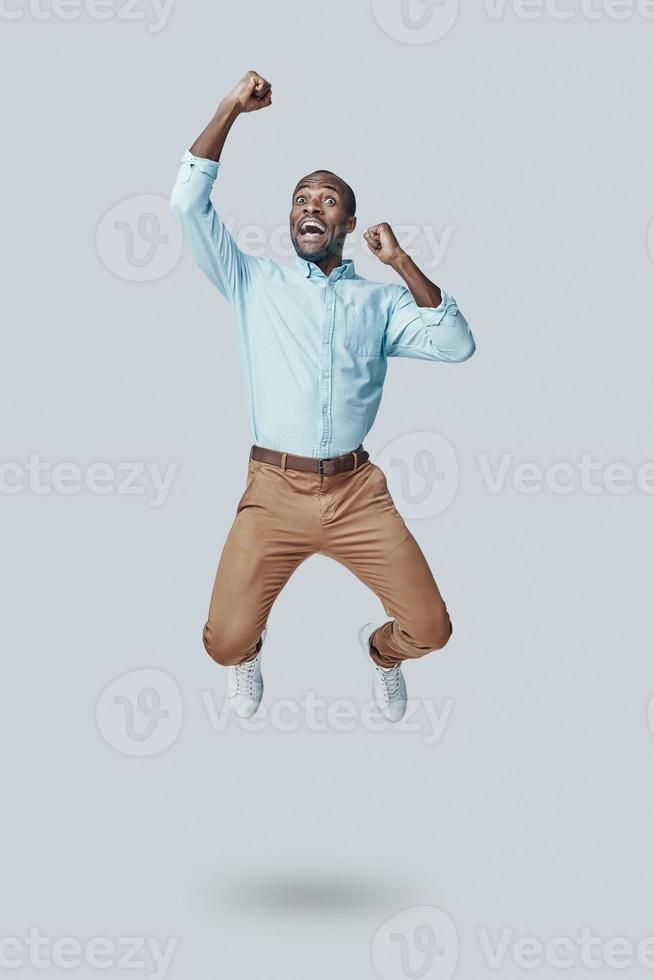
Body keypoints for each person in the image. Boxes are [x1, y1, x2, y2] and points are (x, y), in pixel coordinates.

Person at [170, 70, 475, 723]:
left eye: (327, 199)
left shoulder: (380, 301)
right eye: (300, 198)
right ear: (290, 217)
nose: (311, 205)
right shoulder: (252, 280)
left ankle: (382, 655)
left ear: (349, 220)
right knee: (222, 643)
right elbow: (186, 207)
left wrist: (401, 263)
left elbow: (455, 344)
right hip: (274, 492)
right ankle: (250, 649)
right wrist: (230, 108)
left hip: (356, 494)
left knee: (432, 629)